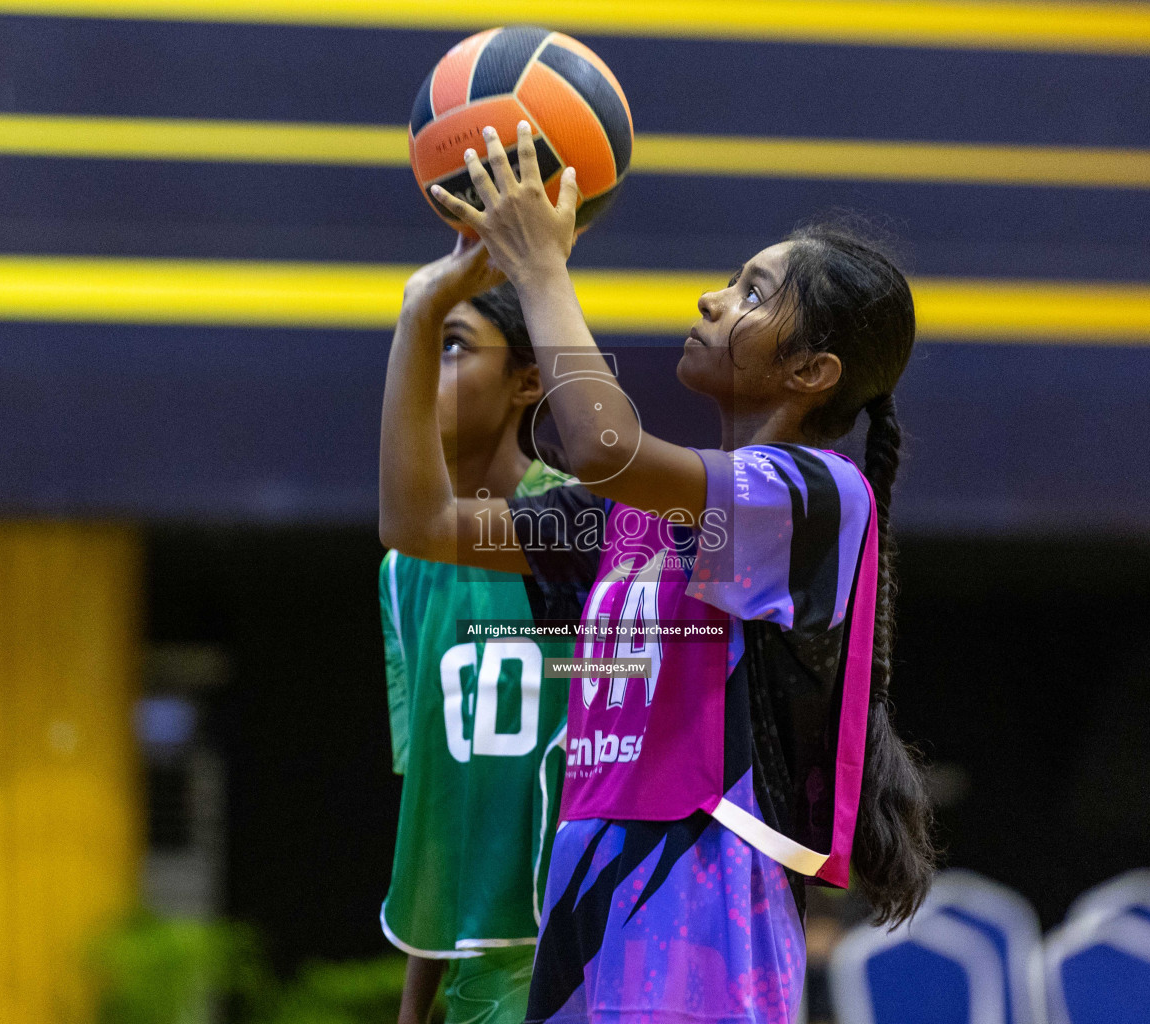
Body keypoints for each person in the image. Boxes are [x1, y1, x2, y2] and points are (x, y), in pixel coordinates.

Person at [381, 120, 935, 1024]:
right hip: (584, 900)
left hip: (705, 910)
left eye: (753, 293)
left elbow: (604, 444)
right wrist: (422, 308)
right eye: (728, 281)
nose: (715, 300)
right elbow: (419, 522)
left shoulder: (813, 496)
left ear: (812, 369)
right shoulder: (628, 515)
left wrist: (541, 272)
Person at [377, 275, 576, 1024]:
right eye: (418, 349)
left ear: (528, 380)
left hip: (584, 951)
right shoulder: (401, 573)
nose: (425, 372)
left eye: (452, 346)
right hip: (477, 972)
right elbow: (435, 796)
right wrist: (412, 1008)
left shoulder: (585, 532)